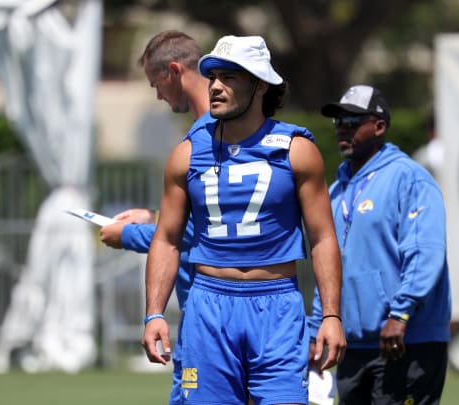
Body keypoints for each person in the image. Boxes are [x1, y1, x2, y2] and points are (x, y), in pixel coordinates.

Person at [142, 35, 346, 405]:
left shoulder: (297, 150)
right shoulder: (185, 155)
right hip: (209, 309)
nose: (216, 86)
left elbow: (323, 238)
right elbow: (167, 239)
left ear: (260, 84)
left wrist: (331, 315)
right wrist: (154, 313)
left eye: (230, 77)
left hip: (278, 309)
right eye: (213, 76)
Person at [307, 85, 451, 405]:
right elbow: (326, 267)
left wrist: (400, 315)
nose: (343, 128)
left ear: (380, 126)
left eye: (353, 121)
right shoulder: (335, 192)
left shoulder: (410, 178)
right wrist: (318, 325)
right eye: (338, 121)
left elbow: (425, 251)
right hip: (355, 346)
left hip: (406, 340)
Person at [98, 30, 210, 405]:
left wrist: (127, 235)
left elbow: (196, 233)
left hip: (211, 310)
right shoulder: (204, 129)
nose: (158, 95)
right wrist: (155, 216)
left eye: (156, 84)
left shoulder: (212, 132)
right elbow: (207, 215)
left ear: (175, 71)